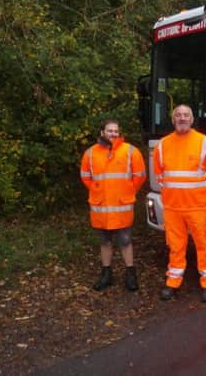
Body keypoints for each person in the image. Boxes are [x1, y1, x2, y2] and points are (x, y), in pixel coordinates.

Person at [153, 104, 206, 302]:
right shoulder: (163, 144)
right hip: (173, 207)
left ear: (192, 120)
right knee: (175, 246)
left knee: (204, 245)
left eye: (186, 115)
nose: (182, 118)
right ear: (173, 119)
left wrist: (199, 193)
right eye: (178, 115)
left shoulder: (204, 143)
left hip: (197, 206)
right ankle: (173, 281)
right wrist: (175, 192)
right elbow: (160, 176)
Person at [80, 119, 147, 292]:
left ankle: (131, 274)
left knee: (125, 241)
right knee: (105, 241)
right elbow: (85, 176)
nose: (113, 134)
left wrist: (129, 190)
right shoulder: (90, 153)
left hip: (122, 205)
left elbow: (140, 175)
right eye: (109, 131)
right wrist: (95, 189)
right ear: (102, 132)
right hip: (100, 206)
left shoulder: (130, 151)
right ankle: (106, 274)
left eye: (116, 131)